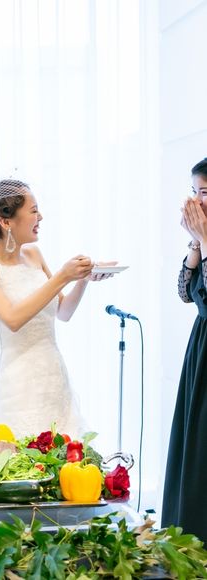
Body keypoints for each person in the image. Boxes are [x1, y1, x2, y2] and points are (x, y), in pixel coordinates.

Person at [0, 179, 114, 438]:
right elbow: (12, 319)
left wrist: (82, 279)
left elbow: (63, 312)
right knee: (26, 453)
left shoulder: (34, 254)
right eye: (34, 211)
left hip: (54, 375)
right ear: (6, 221)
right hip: (18, 383)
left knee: (66, 451)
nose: (40, 217)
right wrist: (63, 276)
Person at [161, 158, 207, 542]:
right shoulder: (203, 238)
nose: (197, 201)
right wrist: (196, 242)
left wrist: (204, 241)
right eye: (194, 192)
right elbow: (184, 292)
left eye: (204, 192)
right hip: (201, 349)